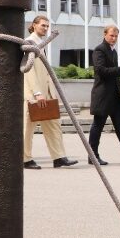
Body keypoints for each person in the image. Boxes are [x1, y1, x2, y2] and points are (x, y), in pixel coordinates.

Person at [23, 15, 78, 169]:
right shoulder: (29, 43)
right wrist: (37, 93)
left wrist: (49, 93)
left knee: (53, 125)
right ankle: (24, 159)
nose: (46, 28)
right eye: (43, 25)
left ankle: (59, 157)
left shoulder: (42, 43)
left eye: (47, 26)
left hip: (47, 93)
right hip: (33, 94)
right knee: (28, 127)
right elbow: (29, 71)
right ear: (34, 25)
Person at [88, 25, 120, 165]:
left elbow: (113, 74)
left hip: (114, 98)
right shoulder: (99, 50)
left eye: (116, 36)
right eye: (111, 35)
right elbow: (101, 71)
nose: (114, 38)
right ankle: (93, 156)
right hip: (103, 96)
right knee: (97, 126)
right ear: (105, 34)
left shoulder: (114, 51)